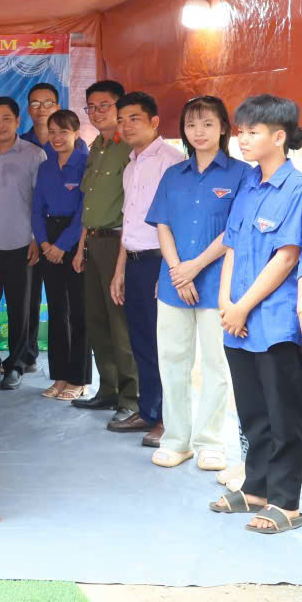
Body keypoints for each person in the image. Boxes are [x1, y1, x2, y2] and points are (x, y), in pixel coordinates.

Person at [209, 94, 302, 535]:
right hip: (238, 320)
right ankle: (256, 489)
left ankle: (286, 502)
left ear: (279, 136)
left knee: (284, 415)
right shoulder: (249, 182)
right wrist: (226, 302)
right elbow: (232, 244)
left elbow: (286, 257)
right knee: (252, 412)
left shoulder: (298, 187)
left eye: (253, 132)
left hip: (273, 321)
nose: (243, 139)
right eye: (241, 131)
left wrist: (243, 306)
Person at [146, 96, 246, 471]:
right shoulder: (174, 174)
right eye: (191, 124)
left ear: (224, 128)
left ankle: (210, 442)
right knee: (172, 361)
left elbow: (234, 229)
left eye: (207, 124)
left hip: (219, 283)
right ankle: (176, 440)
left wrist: (195, 267)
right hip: (174, 283)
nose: (198, 131)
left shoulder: (242, 174)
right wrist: (177, 270)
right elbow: (162, 225)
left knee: (217, 364)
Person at [107, 92, 186, 446]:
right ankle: (149, 411)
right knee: (140, 341)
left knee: (164, 344)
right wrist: (120, 270)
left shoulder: (172, 162)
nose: (125, 126)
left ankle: (170, 420)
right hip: (135, 262)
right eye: (121, 119)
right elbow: (130, 222)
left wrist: (171, 269)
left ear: (154, 122)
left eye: (134, 118)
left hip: (160, 262)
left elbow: (179, 221)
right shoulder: (130, 165)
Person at [72, 81, 139, 424]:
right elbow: (90, 201)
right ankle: (108, 388)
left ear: (119, 107)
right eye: (91, 107)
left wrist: (122, 258)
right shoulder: (96, 146)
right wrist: (81, 246)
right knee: (97, 320)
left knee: (120, 323)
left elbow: (133, 206)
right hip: (94, 242)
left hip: (118, 243)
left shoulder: (130, 148)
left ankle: (132, 398)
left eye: (104, 106)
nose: (97, 113)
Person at [0, 96, 45, 390]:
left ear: (17, 121)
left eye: (6, 119)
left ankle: (16, 364)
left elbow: (41, 201)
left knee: (19, 308)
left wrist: (36, 238)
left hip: (20, 242)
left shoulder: (34, 154)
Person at [31, 109, 90, 401]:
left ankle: (78, 380)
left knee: (78, 311)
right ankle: (60, 377)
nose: (56, 138)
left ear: (76, 133)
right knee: (56, 311)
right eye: (52, 132)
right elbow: (36, 209)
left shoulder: (85, 163)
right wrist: (44, 244)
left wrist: (63, 246)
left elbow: (84, 210)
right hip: (48, 238)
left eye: (63, 132)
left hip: (76, 239)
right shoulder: (45, 166)